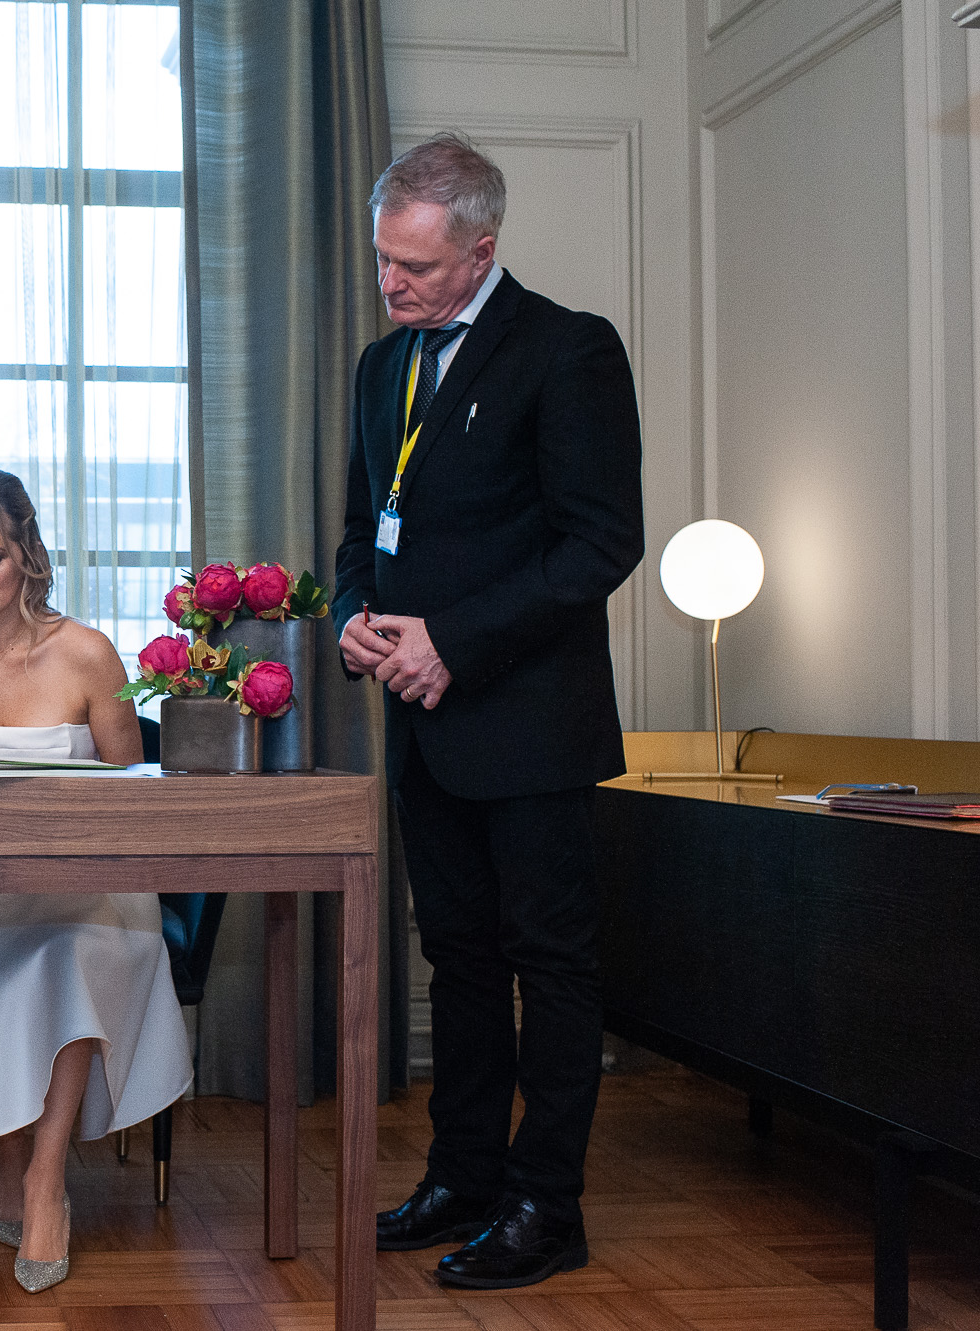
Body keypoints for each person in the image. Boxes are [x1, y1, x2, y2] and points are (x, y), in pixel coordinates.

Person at [332, 133, 644, 1290]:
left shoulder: (565, 350)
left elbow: (601, 541)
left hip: (530, 721)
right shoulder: (380, 367)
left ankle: (543, 1205)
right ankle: (460, 1176)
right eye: (380, 260)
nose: (390, 284)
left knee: (547, 965)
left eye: (413, 266)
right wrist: (354, 620)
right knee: (453, 958)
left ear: (480, 249)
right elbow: (360, 532)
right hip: (420, 725)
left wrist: (451, 642)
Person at [0, 468, 191, 1294]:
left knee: (71, 942)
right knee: (15, 949)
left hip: (87, 884)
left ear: (28, 561)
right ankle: (4, 1146)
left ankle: (44, 1175)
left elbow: (135, 799)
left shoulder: (85, 652)